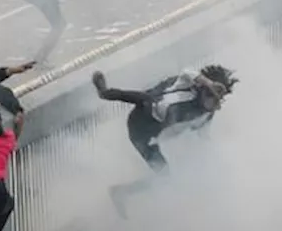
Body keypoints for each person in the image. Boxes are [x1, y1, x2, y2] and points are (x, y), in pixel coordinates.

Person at [92, 64, 237, 217]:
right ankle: (120, 192)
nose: (213, 103)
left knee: (173, 175)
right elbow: (186, 73)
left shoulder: (207, 113)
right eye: (211, 96)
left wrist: (220, 162)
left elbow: (204, 137)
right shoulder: (181, 94)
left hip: (158, 130)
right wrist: (106, 93)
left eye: (218, 99)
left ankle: (122, 191)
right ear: (202, 89)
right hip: (140, 129)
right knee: (165, 175)